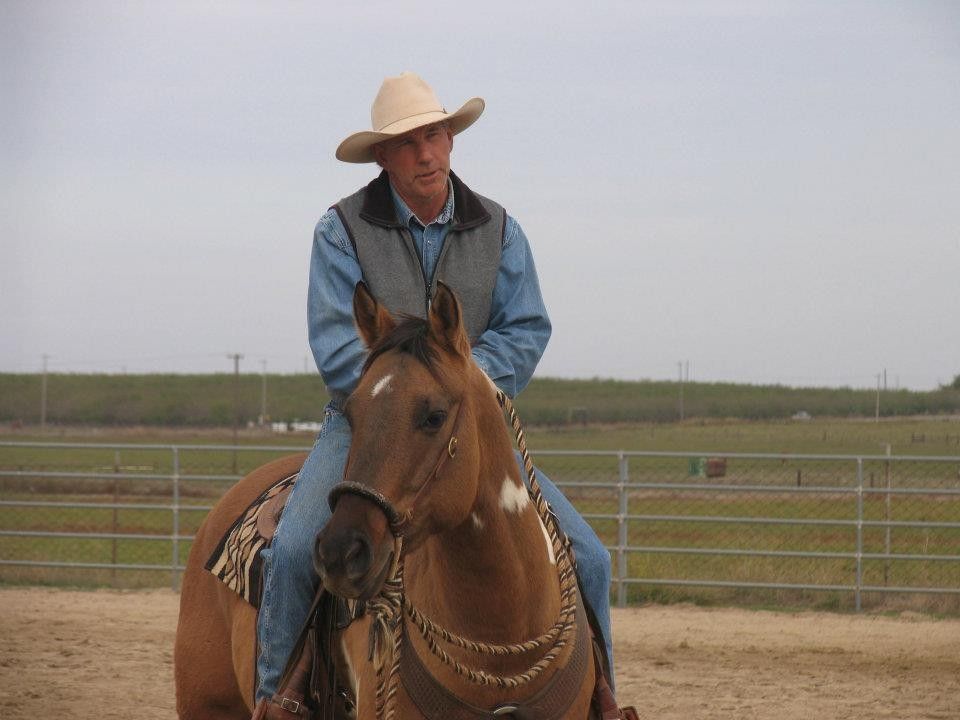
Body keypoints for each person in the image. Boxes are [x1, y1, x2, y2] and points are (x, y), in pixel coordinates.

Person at [254, 71, 613, 711]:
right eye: (409, 142)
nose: (425, 152)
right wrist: (401, 392)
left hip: (473, 425)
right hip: (367, 425)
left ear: (451, 141)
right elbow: (337, 343)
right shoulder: (340, 231)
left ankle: (601, 701)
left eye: (435, 135)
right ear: (384, 157)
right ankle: (276, 699)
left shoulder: (500, 230)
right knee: (289, 551)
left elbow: (527, 327)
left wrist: (461, 384)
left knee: (589, 557)